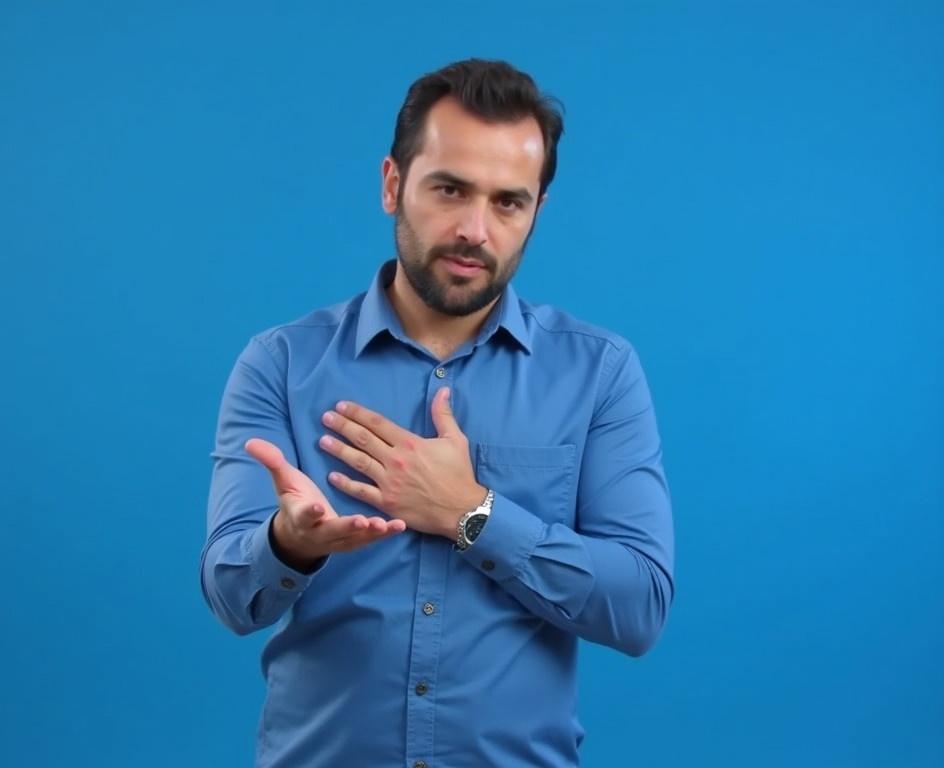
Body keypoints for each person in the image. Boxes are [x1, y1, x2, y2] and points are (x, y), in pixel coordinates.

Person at [201, 58, 675, 768]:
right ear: (393, 185)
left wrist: (472, 514)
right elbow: (232, 598)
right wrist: (290, 543)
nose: (475, 230)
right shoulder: (281, 364)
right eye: (450, 190)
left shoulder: (599, 373)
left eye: (507, 202)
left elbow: (639, 607)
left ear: (537, 211)